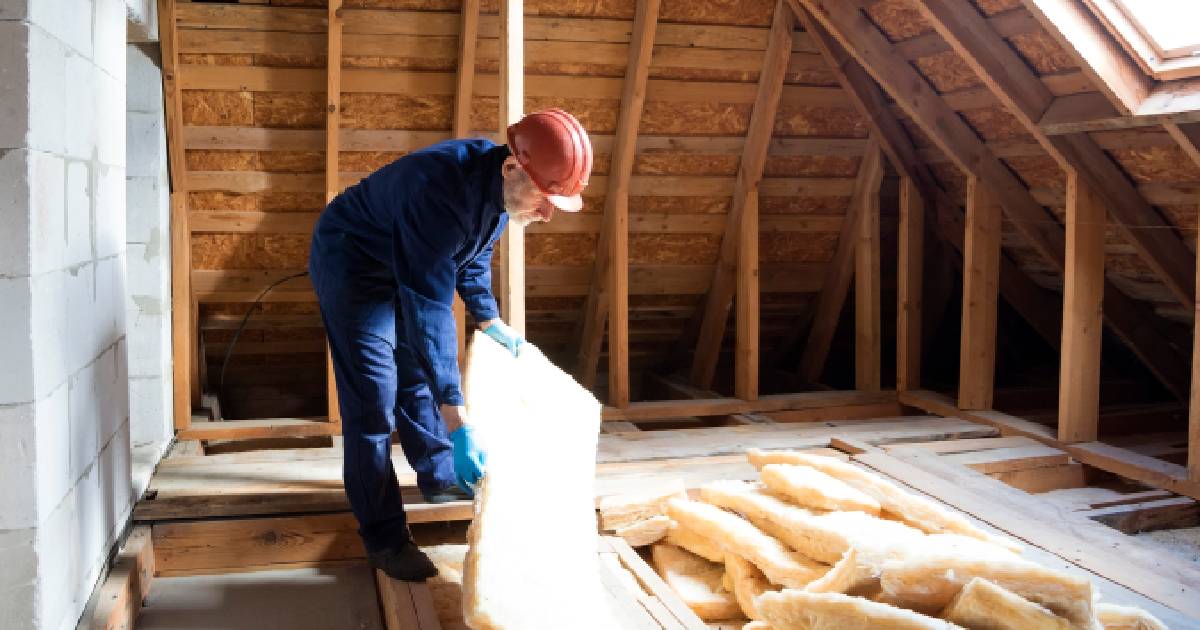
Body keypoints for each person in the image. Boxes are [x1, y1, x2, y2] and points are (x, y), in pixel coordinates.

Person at [308, 109, 594, 581]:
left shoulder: (501, 193)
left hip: (404, 258)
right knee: (373, 402)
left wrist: (489, 319)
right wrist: (458, 419)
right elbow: (429, 308)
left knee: (416, 376)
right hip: (353, 265)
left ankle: (439, 477)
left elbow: (472, 257)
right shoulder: (439, 194)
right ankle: (384, 539)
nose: (545, 214)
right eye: (545, 199)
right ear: (512, 168)